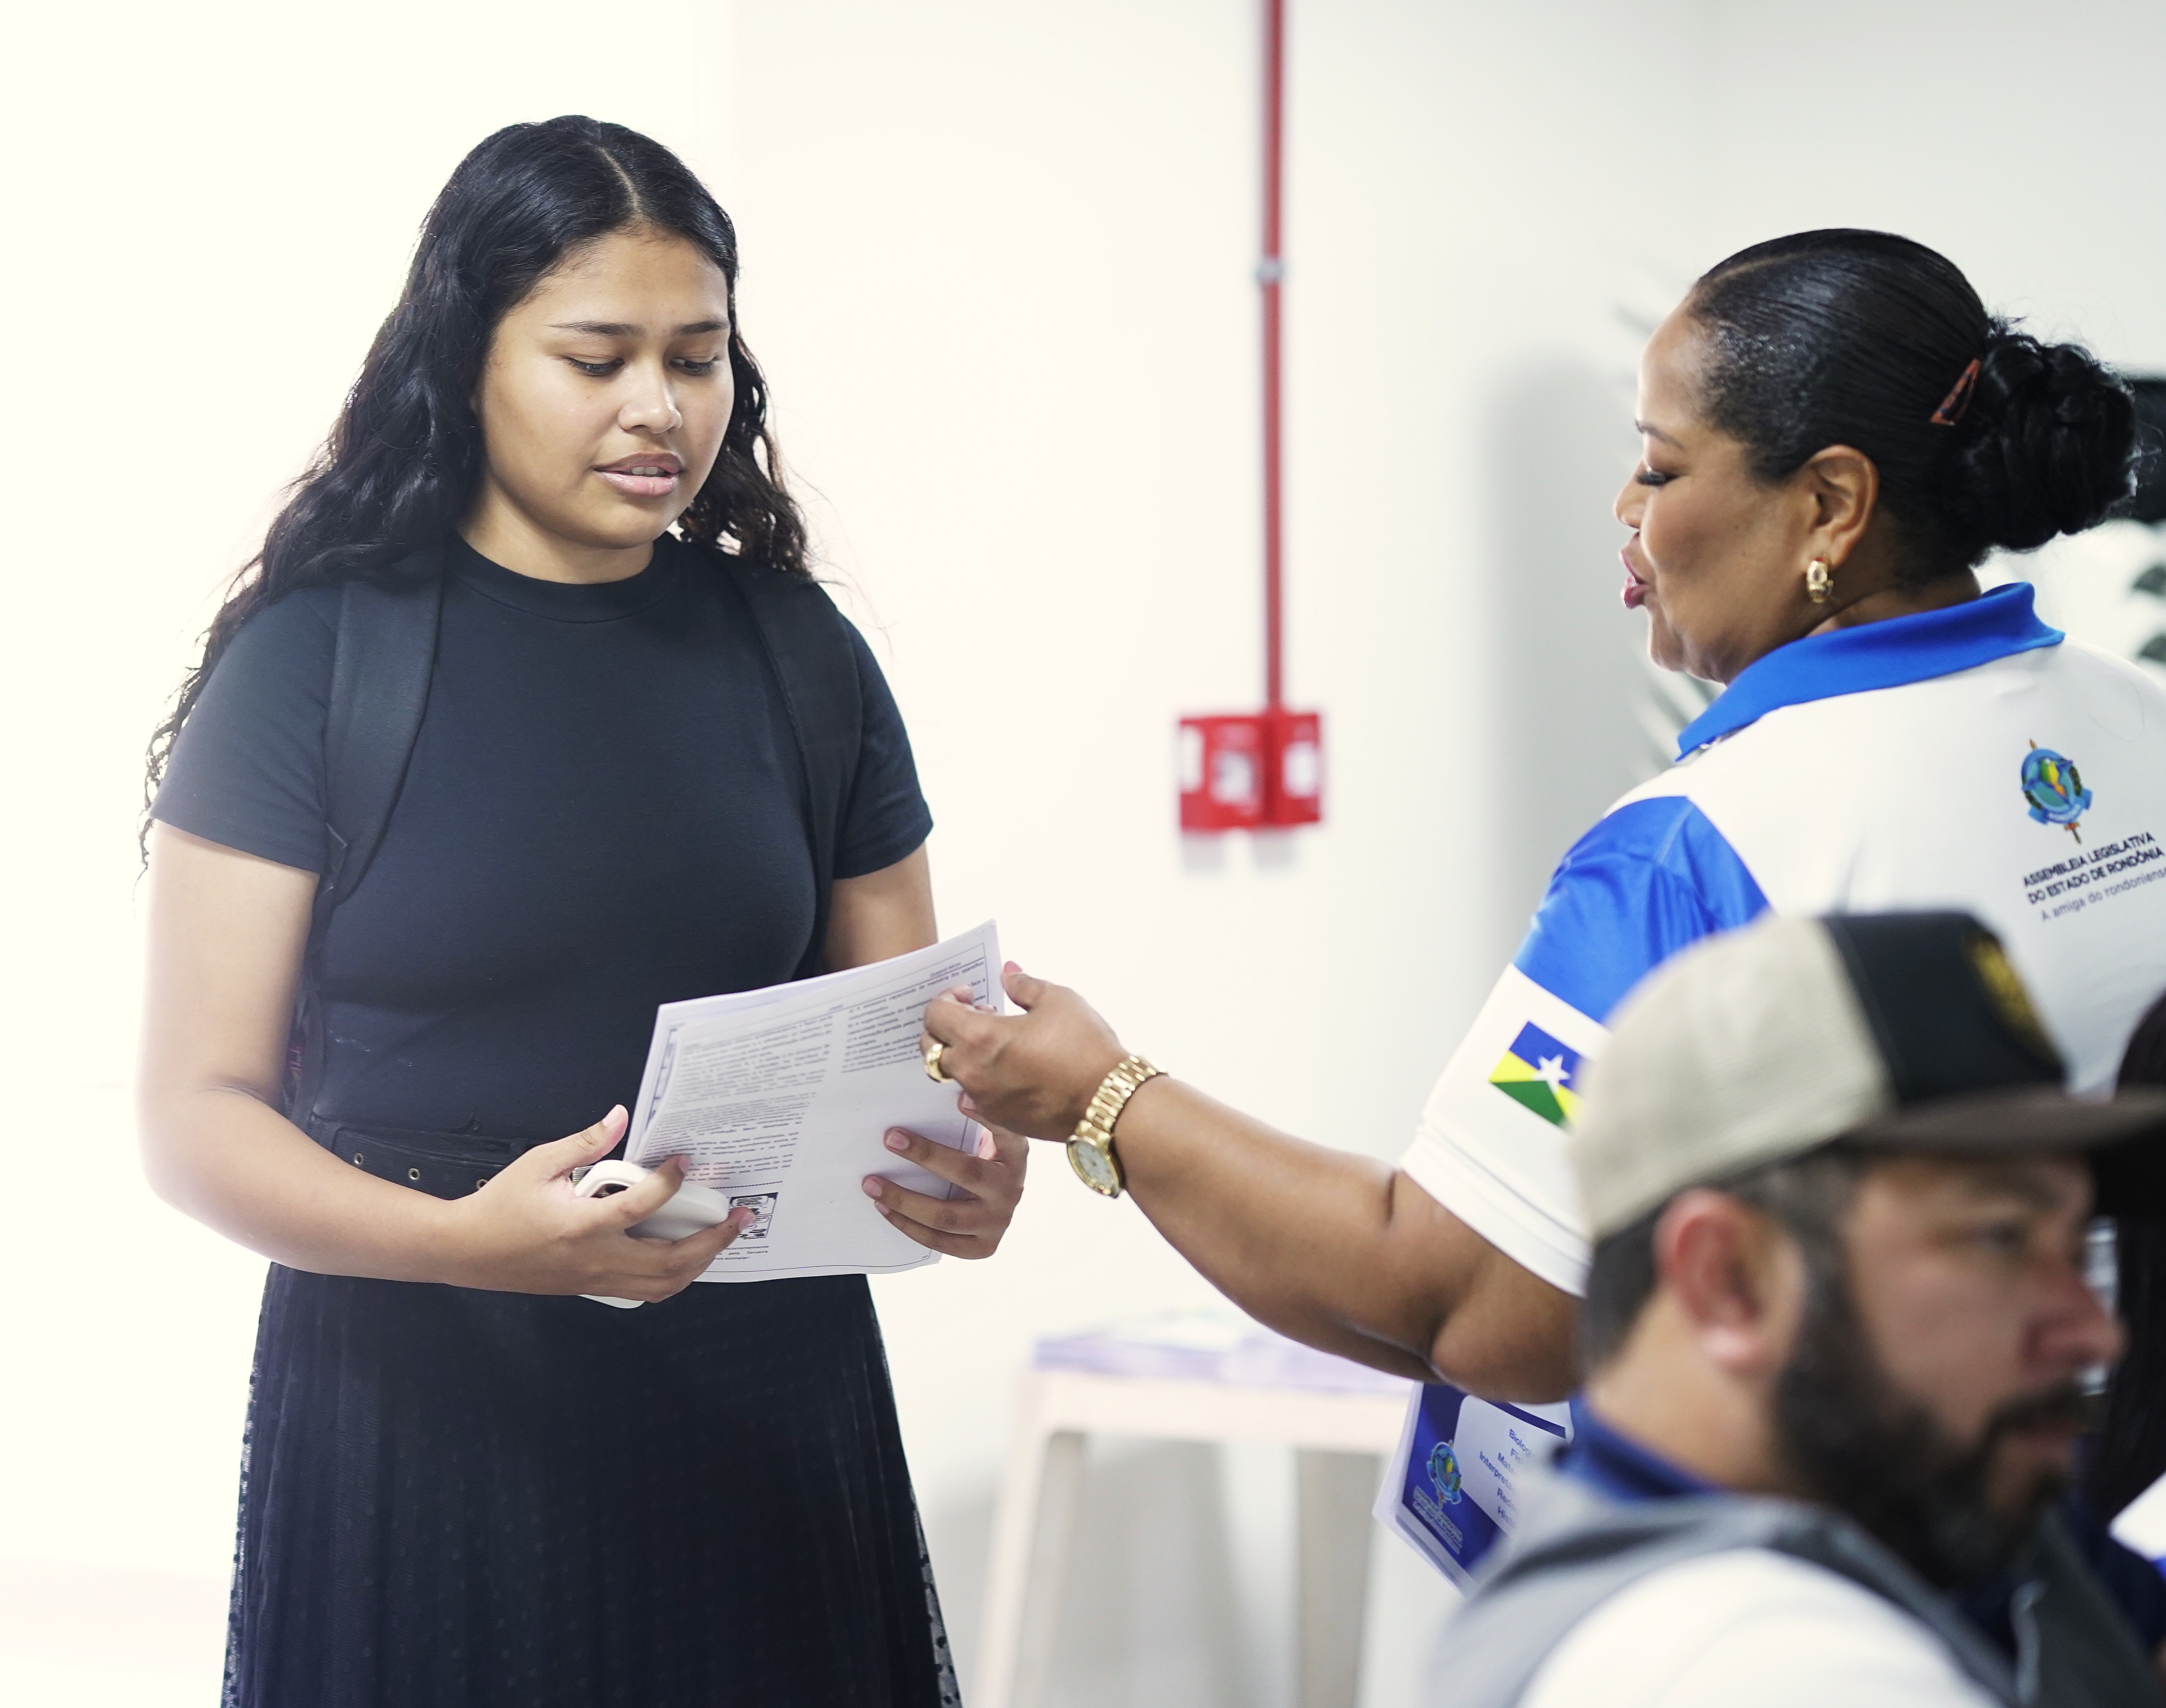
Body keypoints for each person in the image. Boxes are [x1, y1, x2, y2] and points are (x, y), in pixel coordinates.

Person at [914, 231, 2166, 1416]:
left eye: (1664, 468)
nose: (1627, 506)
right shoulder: (2139, 721)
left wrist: (1105, 1098)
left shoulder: (1703, 842)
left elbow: (1466, 1305)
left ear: (1833, 503)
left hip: (1927, 1584)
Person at [137, 117, 1023, 1708]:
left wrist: (971, 1163)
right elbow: (196, 1117)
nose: (658, 407)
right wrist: (467, 1248)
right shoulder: (318, 662)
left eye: (697, 357)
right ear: (467, 357)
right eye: (596, 355)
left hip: (758, 1388)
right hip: (420, 1392)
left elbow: (913, 1046)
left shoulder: (798, 653)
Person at [1438, 910, 2166, 1708]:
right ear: (1730, 1282)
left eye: (2072, 1249)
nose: (2096, 1329)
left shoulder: (1922, 1499)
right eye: (2000, 1240)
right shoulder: (1743, 1668)